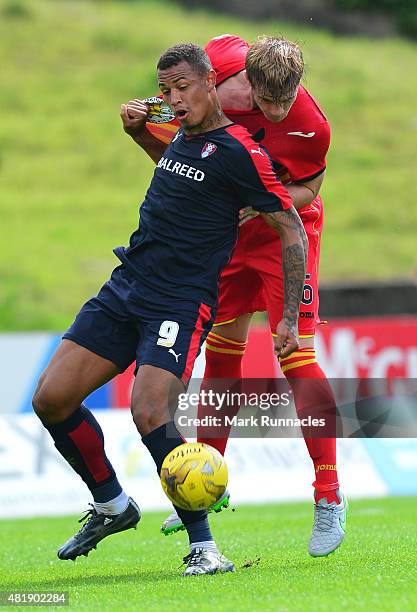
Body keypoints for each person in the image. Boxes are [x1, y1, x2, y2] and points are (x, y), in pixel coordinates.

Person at [32, 43, 307, 576]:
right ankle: (112, 504)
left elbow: (290, 225)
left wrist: (290, 318)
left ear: (211, 82)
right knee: (51, 400)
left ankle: (204, 549)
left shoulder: (239, 151)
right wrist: (140, 131)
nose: (174, 100)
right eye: (166, 92)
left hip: (178, 301)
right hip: (125, 286)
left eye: (183, 88)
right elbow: (181, 173)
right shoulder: (183, 135)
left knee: (150, 412)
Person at [121, 35, 347, 558]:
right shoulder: (217, 66)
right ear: (240, 78)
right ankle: (208, 484)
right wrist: (146, 117)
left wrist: (259, 201)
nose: (277, 110)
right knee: (223, 351)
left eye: (286, 100)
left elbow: (309, 189)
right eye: (266, 101)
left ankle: (329, 495)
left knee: (296, 351)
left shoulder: (312, 124)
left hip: (285, 232)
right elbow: (179, 143)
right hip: (229, 233)